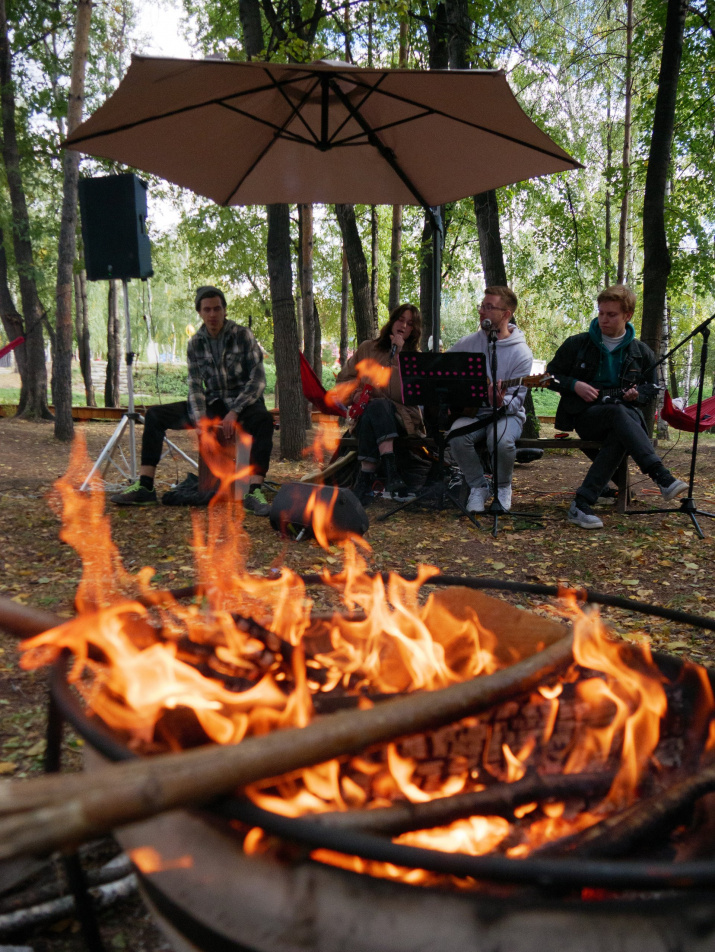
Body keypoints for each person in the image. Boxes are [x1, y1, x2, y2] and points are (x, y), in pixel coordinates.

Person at [110, 286, 274, 516]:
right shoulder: (195, 343)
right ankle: (145, 486)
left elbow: (258, 380)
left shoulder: (242, 335)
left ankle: (253, 491)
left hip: (244, 403)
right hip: (214, 401)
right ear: (200, 312)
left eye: (217, 308)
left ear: (224, 310)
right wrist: (200, 420)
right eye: (207, 309)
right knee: (155, 415)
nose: (212, 314)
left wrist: (235, 411)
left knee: (264, 421)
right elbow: (195, 386)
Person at [546, 284, 687, 529]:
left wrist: (636, 394)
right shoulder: (577, 344)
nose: (603, 319)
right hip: (585, 416)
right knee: (618, 413)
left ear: (627, 315)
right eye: (601, 313)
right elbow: (550, 377)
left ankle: (581, 503)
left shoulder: (641, 352)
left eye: (611, 314)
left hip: (623, 421)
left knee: (618, 428)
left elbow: (652, 389)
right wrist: (575, 385)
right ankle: (661, 476)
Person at [447, 286, 533, 513]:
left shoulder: (521, 352)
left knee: (500, 439)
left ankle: (503, 487)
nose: (482, 311)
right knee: (456, 437)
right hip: (473, 413)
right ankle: (478, 486)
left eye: (489, 307)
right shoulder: (468, 343)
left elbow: (516, 400)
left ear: (506, 314)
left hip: (507, 415)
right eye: (482, 306)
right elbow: (444, 370)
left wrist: (499, 402)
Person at [336, 304, 425, 505]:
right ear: (392, 321)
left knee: (378, 406)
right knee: (373, 409)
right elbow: (342, 382)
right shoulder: (368, 348)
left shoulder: (413, 358)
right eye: (400, 319)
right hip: (368, 415)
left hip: (402, 418)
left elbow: (400, 395)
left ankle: (365, 479)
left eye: (409, 323)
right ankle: (390, 472)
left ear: (413, 330)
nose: (403, 325)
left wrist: (397, 356)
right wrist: (356, 394)